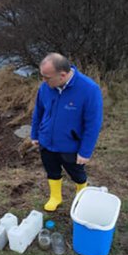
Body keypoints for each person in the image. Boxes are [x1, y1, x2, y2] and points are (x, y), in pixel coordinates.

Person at [31, 53, 103, 212]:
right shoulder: (46, 87)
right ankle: (56, 197)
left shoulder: (89, 89)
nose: (43, 80)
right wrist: (35, 134)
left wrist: (85, 151)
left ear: (62, 75)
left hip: (70, 145)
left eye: (47, 77)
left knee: (77, 174)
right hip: (46, 142)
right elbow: (39, 111)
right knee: (52, 171)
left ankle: (81, 197)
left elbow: (93, 124)